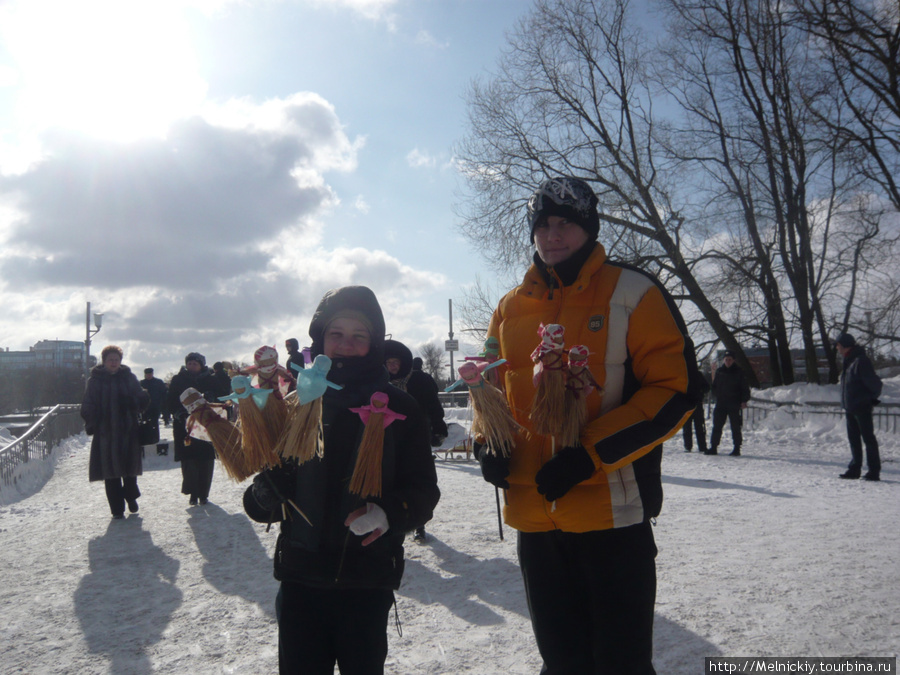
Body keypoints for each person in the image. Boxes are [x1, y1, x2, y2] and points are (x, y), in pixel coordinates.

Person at [479, 176, 700, 674]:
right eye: (543, 225)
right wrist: (489, 442)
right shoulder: (510, 307)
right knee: (561, 663)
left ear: (589, 228)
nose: (552, 235)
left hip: (612, 516)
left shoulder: (633, 292)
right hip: (537, 520)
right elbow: (491, 389)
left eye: (566, 224)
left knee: (620, 664)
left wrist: (590, 454)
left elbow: (676, 390)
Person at [244, 285, 440, 675]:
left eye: (358, 336)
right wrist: (262, 495)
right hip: (301, 579)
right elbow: (259, 500)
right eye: (336, 334)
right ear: (320, 339)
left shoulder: (400, 407)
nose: (346, 345)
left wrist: (388, 513)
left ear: (374, 343)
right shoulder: (294, 404)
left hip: (366, 583)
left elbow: (424, 491)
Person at [384, 341, 448, 542]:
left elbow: (433, 405)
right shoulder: (377, 382)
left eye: (396, 362)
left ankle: (418, 524)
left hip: (415, 438)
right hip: (387, 439)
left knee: (415, 480)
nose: (393, 366)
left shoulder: (418, 380)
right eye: (389, 362)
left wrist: (438, 427)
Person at [81, 345, 150, 519]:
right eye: (110, 360)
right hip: (106, 432)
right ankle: (117, 510)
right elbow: (88, 404)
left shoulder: (129, 378)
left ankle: (131, 496)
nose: (113, 363)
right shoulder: (95, 381)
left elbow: (142, 399)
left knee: (129, 471)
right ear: (104, 361)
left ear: (120, 361)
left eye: (116, 360)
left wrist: (134, 401)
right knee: (110, 474)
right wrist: (91, 420)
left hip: (128, 430)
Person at [167, 353, 229, 506]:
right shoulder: (178, 380)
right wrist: (178, 412)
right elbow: (169, 400)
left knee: (206, 459)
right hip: (185, 425)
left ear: (201, 365)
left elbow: (224, 398)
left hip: (207, 425)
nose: (192, 366)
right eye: (190, 363)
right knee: (189, 459)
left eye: (195, 363)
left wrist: (212, 398)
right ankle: (193, 492)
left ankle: (203, 494)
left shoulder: (211, 380)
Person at [835, 333, 883, 481]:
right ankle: (855, 469)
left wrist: (870, 399)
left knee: (868, 439)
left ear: (844, 345)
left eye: (838, 345)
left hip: (861, 407)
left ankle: (874, 470)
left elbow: (875, 384)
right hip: (850, 407)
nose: (836, 348)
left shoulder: (860, 361)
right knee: (854, 440)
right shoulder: (849, 361)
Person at [707, 350, 751, 456]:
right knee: (717, 426)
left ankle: (737, 448)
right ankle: (713, 447)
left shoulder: (739, 372)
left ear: (733, 360)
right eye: (726, 359)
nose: (728, 361)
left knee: (735, 426)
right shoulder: (719, 371)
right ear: (723, 360)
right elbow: (714, 386)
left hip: (734, 403)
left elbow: (745, 388)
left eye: (730, 359)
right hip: (721, 403)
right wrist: (715, 394)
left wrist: (744, 400)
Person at [682, 371, 710, 453]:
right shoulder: (683, 374)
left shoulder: (698, 374)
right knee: (687, 426)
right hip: (686, 404)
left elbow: (707, 387)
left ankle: (702, 446)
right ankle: (688, 446)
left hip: (697, 403)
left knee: (699, 426)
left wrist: (700, 392)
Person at [140, 367, 168, 446]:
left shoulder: (158, 382)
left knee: (154, 422)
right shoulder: (142, 383)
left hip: (156, 405)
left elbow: (164, 393)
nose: (149, 376)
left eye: (150, 374)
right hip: (145, 407)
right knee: (145, 423)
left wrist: (163, 404)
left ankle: (155, 438)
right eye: (147, 374)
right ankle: (146, 438)